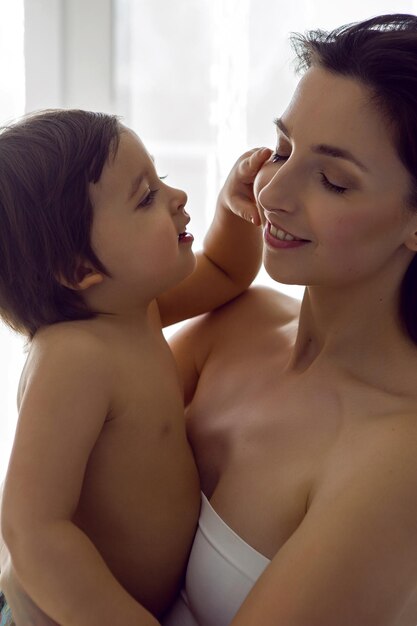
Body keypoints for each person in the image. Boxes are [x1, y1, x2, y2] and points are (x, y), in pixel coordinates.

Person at [161, 13, 417, 626]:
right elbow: (74, 444)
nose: (271, 192)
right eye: (281, 149)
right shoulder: (233, 323)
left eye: (332, 180)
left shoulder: (398, 460)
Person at [0, 108, 270, 625]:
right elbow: (31, 529)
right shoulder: (74, 358)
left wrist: (234, 211)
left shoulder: (135, 309)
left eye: (160, 179)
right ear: (81, 270)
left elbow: (226, 272)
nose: (176, 197)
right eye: (145, 197)